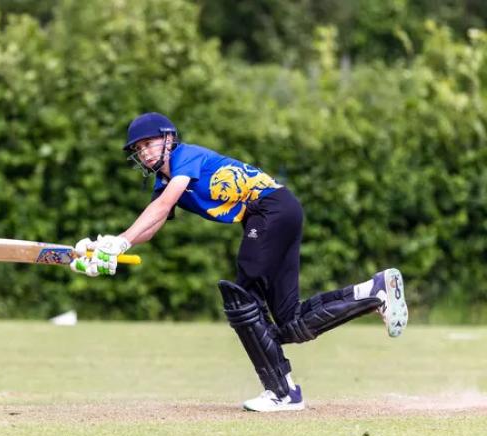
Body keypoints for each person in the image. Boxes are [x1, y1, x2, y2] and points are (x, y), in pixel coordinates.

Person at [70, 112, 408, 412]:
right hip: (279, 212)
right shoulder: (164, 182)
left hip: (271, 210)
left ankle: (282, 393)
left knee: (242, 300)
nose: (144, 152)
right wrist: (106, 246)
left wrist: (121, 240)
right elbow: (153, 225)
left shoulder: (186, 157)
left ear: (169, 139)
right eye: (138, 149)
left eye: (149, 143)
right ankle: (374, 292)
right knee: (289, 322)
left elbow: (161, 207)